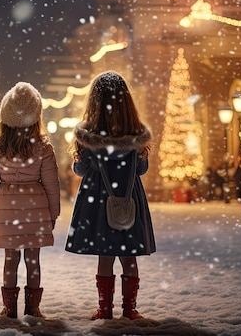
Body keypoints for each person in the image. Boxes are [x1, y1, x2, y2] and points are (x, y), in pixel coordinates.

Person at [65, 71, 155, 320]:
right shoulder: (136, 138)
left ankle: (104, 308)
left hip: (98, 199)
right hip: (128, 199)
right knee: (129, 256)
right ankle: (130, 308)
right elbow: (142, 169)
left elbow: (80, 170)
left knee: (105, 255)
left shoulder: (88, 138)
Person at [0, 82, 60, 319]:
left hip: (6, 211)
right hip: (35, 210)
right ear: (36, 116)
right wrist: (53, 214)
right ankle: (33, 307)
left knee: (10, 259)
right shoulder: (43, 147)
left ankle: (9, 308)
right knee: (33, 259)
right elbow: (51, 184)